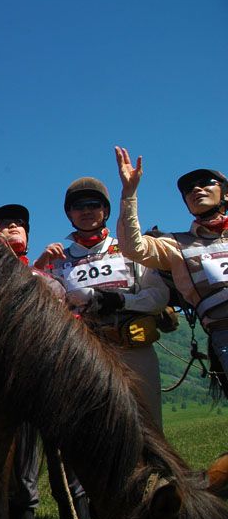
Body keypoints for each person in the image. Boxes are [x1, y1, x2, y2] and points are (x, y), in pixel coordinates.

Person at [34, 176, 168, 431]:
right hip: (86, 354)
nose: (86, 211)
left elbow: (159, 297)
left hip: (133, 347)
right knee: (97, 430)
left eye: (93, 204)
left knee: (148, 426)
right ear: (69, 214)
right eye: (78, 206)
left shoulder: (129, 251)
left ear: (105, 210)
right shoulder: (58, 262)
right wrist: (40, 268)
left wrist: (118, 300)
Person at [0, 204, 90, 519]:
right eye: (4, 223)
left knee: (72, 464)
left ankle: (79, 518)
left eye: (20, 223)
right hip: (14, 385)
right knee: (23, 468)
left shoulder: (47, 278)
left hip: (57, 380)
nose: (14, 225)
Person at [115, 146, 228, 397]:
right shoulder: (175, 244)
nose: (196, 190)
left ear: (225, 194)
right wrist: (129, 193)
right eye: (189, 189)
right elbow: (132, 248)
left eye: (205, 183)